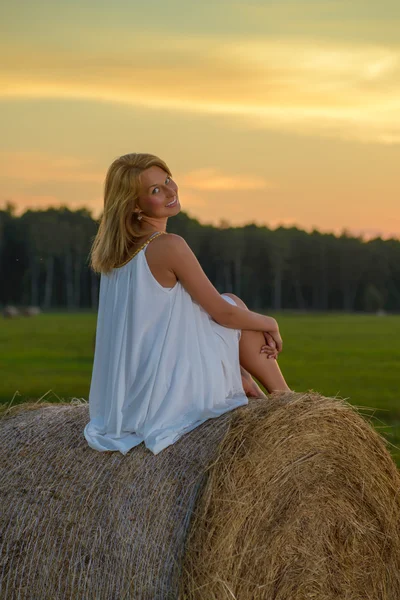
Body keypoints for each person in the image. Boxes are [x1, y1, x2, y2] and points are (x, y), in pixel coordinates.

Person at [83, 153, 291, 455]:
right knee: (234, 306)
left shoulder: (113, 256)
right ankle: (288, 403)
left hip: (130, 397)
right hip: (169, 393)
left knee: (232, 308)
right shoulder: (168, 246)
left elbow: (168, 324)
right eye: (155, 190)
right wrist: (271, 323)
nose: (170, 191)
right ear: (135, 205)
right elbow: (223, 314)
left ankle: (256, 389)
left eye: (167, 180)